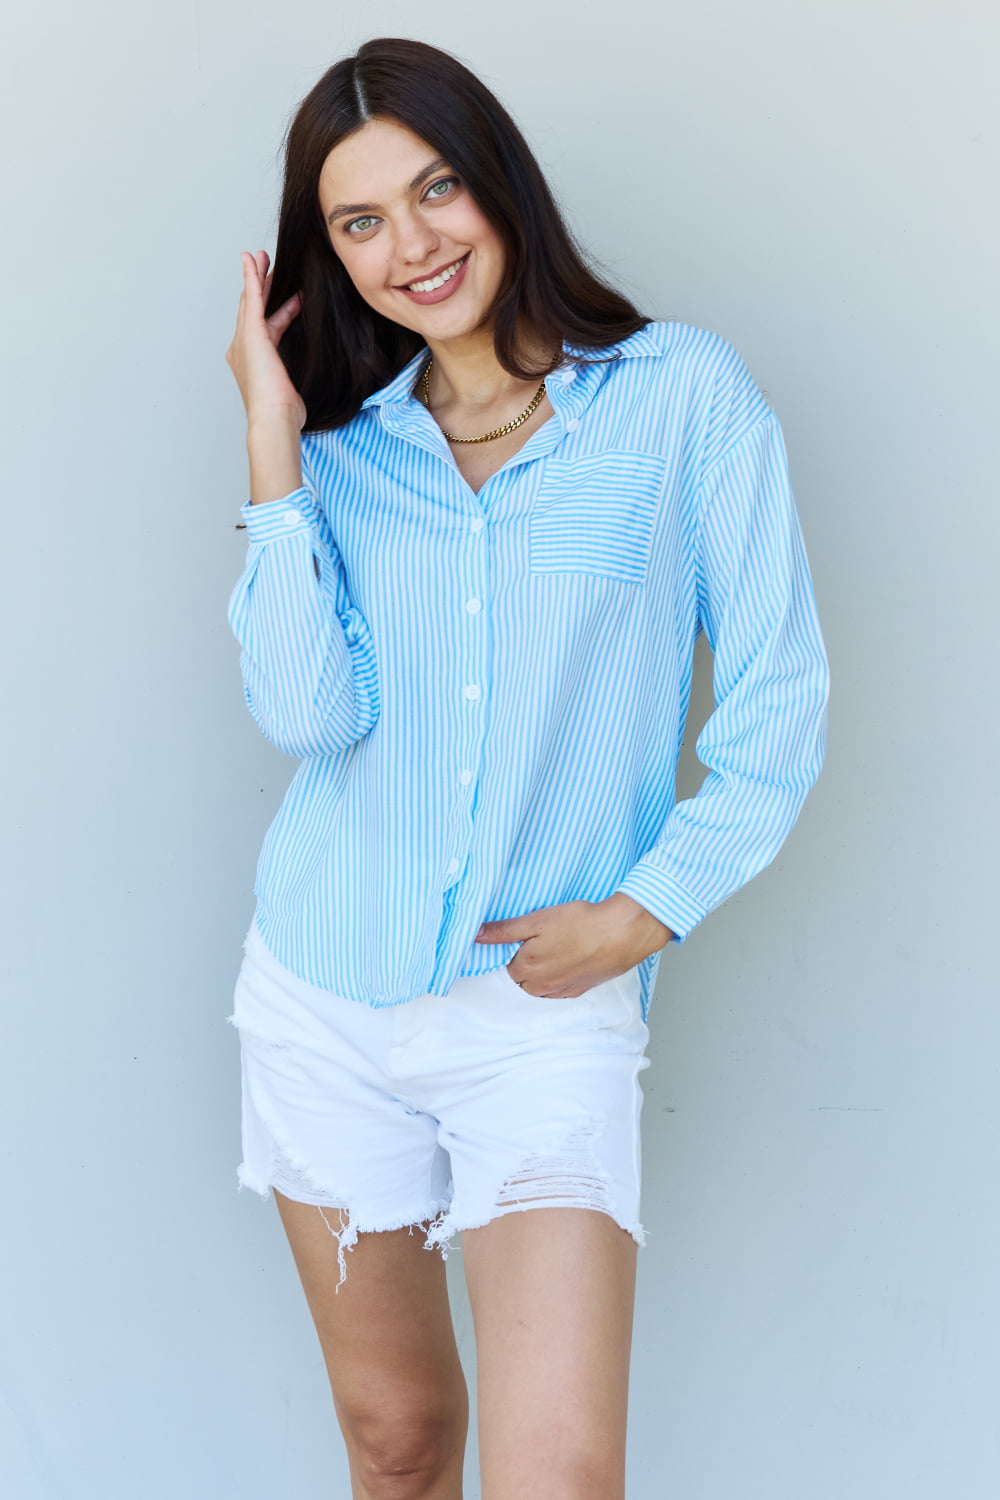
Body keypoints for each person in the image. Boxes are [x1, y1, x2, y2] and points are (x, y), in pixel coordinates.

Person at [223, 35, 829, 1500]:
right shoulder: (346, 457)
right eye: (361, 221)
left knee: (557, 1479)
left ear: (498, 185)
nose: (412, 245)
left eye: (436, 191)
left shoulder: (679, 397)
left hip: (538, 1018)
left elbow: (778, 694)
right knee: (400, 1443)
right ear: (331, 254)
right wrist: (269, 440)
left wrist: (646, 912)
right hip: (325, 1001)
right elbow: (304, 711)